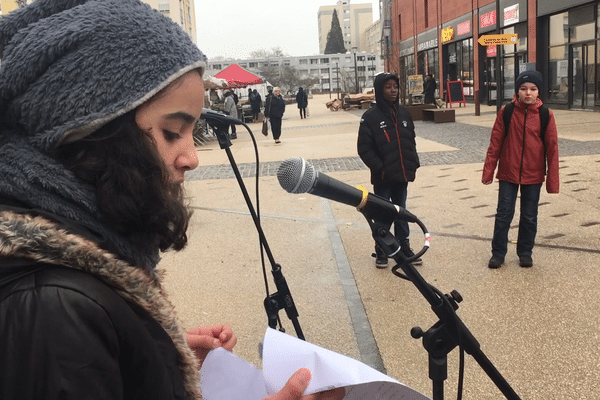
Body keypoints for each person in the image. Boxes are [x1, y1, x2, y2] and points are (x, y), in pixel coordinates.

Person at [0, 1, 343, 399]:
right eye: (171, 132)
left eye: (192, 131)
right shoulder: (53, 309)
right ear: (94, 130)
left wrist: (157, 361)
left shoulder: (81, 265)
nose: (192, 158)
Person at [482, 70, 559, 269]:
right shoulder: (506, 112)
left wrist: (552, 180)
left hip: (534, 174)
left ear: (538, 92)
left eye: (533, 89)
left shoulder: (545, 115)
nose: (528, 93)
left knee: (529, 215)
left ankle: (525, 252)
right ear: (517, 91)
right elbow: (495, 143)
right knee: (503, 214)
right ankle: (498, 253)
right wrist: (488, 171)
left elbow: (552, 149)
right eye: (523, 89)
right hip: (508, 172)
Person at [357, 73, 421, 268]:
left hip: (401, 174)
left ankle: (404, 245)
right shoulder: (370, 117)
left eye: (395, 87)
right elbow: (364, 149)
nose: (393, 91)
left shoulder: (404, 113)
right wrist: (380, 168)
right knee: (383, 213)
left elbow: (410, 140)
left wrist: (413, 163)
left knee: (401, 211)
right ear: (379, 90)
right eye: (388, 87)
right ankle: (382, 249)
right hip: (383, 177)